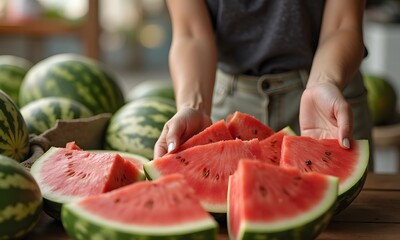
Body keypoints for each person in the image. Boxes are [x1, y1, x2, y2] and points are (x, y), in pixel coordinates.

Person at [154, 0, 373, 168]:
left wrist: (324, 82)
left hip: (325, 103)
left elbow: (343, 24)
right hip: (229, 102)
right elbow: (191, 33)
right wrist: (194, 106)